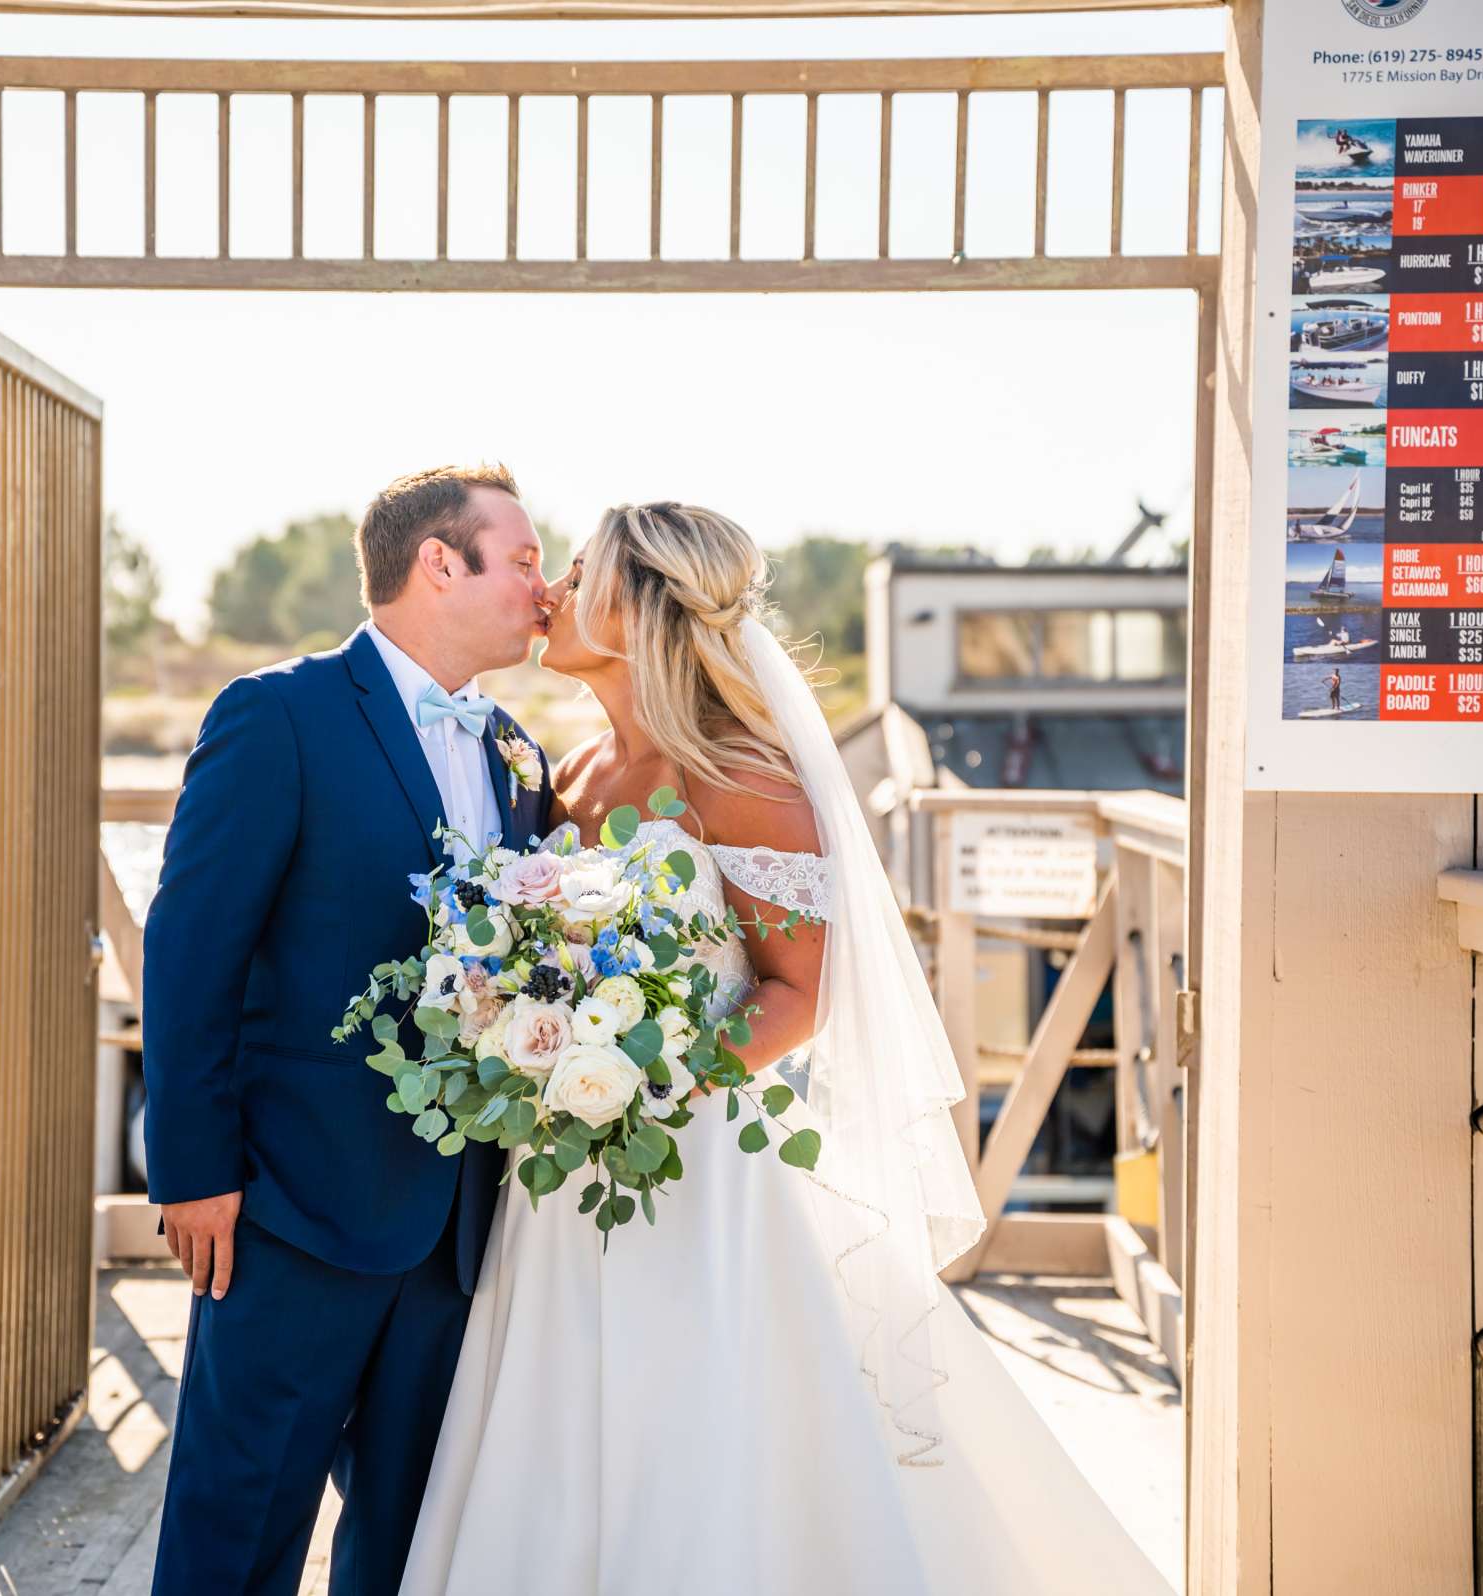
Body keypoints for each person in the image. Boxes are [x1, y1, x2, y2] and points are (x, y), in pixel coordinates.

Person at [398, 502, 1175, 1595]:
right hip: (556, 1165)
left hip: (688, 1164)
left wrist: (644, 1089)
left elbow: (799, 993)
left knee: (697, 1421)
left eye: (577, 575)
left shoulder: (741, 779)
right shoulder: (565, 779)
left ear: (636, 606)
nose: (554, 596)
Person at [139, 465, 557, 1596]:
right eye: (521, 560)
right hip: (286, 1208)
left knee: (411, 1540)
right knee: (238, 1526)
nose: (544, 584)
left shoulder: (520, 754)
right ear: (438, 563)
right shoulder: (278, 715)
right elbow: (190, 952)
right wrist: (191, 1171)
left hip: (456, 1228)